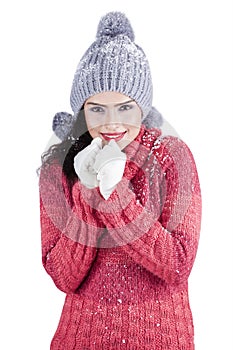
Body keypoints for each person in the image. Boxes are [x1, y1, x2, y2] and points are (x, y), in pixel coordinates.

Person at [39, 11, 202, 350]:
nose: (111, 122)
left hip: (161, 340)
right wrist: (88, 193)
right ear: (82, 111)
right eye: (97, 109)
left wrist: (115, 197)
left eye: (125, 107)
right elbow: (64, 276)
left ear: (142, 108)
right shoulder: (59, 167)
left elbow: (176, 266)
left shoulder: (173, 158)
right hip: (80, 339)